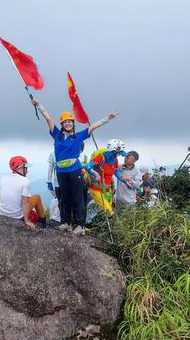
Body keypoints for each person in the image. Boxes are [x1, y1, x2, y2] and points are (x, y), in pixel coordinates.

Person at [32, 98, 118, 236]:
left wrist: (108, 118)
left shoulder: (79, 136)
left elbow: (94, 126)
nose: (67, 124)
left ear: (73, 123)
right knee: (64, 198)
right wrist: (39, 105)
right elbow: (48, 119)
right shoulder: (57, 135)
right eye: (65, 122)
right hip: (60, 171)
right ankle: (66, 223)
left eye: (70, 121)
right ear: (62, 124)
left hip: (74, 170)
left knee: (78, 198)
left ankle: (80, 225)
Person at [84, 139, 135, 217]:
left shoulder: (115, 160)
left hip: (107, 190)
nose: (120, 155)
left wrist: (126, 182)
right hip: (96, 188)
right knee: (107, 210)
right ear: (113, 151)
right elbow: (87, 167)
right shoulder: (101, 157)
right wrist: (95, 174)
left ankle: (91, 224)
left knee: (103, 209)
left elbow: (116, 172)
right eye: (119, 153)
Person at [0, 156, 46, 230]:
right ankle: (43, 224)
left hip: (2, 214)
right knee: (37, 197)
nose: (27, 171)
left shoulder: (3, 178)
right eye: (25, 168)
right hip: (17, 216)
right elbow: (25, 202)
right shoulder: (25, 181)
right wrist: (26, 221)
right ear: (18, 168)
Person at [115, 150, 142, 214]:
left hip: (129, 202)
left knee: (129, 220)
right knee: (118, 220)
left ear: (134, 161)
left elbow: (136, 185)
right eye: (126, 157)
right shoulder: (120, 167)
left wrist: (129, 179)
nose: (125, 159)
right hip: (118, 200)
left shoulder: (137, 172)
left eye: (128, 158)